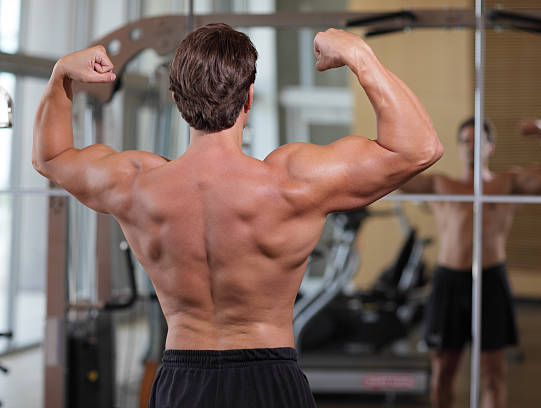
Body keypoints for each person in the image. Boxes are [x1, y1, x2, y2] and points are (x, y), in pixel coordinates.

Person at [32, 24, 443, 408]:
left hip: (182, 380)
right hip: (270, 378)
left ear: (176, 100)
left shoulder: (135, 185)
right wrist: (358, 54)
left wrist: (61, 76)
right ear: (247, 97)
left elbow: (51, 156)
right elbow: (419, 147)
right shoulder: (292, 182)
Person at [400, 117, 541, 408]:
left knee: (493, 375)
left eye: (478, 141)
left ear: (490, 147)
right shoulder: (440, 184)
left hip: (491, 281)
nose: (471, 147)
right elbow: (390, 175)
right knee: (442, 372)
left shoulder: (507, 183)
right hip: (449, 283)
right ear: (458, 147)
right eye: (465, 141)